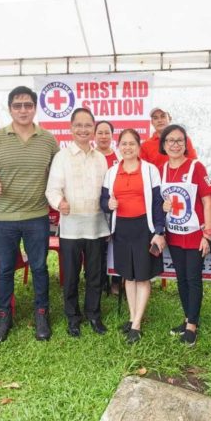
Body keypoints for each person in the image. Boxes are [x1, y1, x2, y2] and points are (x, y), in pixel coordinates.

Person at [0, 86, 59, 343]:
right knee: (4, 269)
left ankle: (41, 313)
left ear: (35, 107)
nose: (23, 110)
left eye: (27, 105)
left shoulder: (48, 140)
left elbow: (57, 176)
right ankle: (4, 316)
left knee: (39, 267)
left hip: (37, 216)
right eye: (17, 105)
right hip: (3, 217)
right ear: (10, 108)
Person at [46, 108, 110, 337]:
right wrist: (59, 202)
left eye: (88, 125)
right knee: (71, 276)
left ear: (93, 129)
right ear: (71, 128)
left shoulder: (101, 158)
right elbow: (52, 189)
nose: (83, 130)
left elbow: (107, 192)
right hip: (71, 228)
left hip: (96, 226)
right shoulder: (61, 156)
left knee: (95, 275)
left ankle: (93, 315)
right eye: (78, 125)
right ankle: (73, 317)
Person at [101, 129, 166, 344]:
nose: (127, 147)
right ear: (118, 146)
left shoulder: (150, 170)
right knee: (128, 276)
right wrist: (108, 205)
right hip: (121, 229)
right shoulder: (111, 172)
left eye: (132, 144)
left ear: (138, 146)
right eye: (124, 144)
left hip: (143, 228)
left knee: (143, 276)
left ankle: (137, 325)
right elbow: (103, 201)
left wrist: (158, 231)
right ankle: (131, 317)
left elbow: (158, 203)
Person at [159, 124, 211, 346]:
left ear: (186, 143)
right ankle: (187, 318)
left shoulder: (196, 167)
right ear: (164, 144)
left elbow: (207, 200)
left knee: (193, 278)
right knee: (180, 278)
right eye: (170, 140)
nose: (175, 144)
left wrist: (207, 234)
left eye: (179, 140)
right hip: (174, 234)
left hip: (194, 234)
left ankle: (192, 325)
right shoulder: (161, 169)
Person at [95, 120, 121, 295]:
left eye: (107, 133)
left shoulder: (119, 158)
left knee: (116, 245)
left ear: (112, 136)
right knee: (99, 247)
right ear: (94, 135)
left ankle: (116, 282)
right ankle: (100, 281)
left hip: (115, 209)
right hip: (94, 210)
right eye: (100, 133)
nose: (104, 136)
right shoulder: (90, 156)